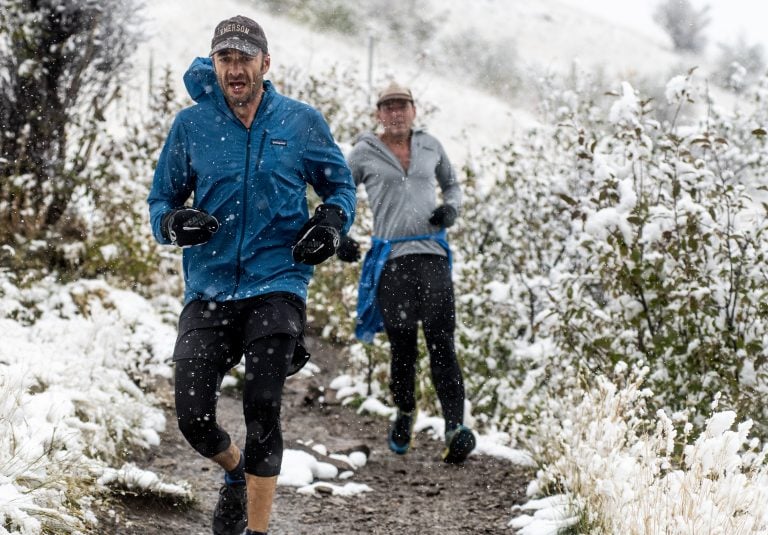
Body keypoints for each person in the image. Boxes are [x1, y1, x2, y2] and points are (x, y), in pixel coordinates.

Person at [147, 15, 355, 535]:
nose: (235, 68)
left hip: (277, 282)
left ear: (266, 62)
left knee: (263, 405)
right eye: (225, 58)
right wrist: (173, 222)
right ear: (214, 64)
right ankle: (236, 472)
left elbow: (340, 187)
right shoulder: (190, 126)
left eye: (245, 57)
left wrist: (330, 223)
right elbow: (160, 202)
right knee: (193, 419)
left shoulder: (300, 122)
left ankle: (257, 531)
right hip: (209, 287)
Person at [338, 81, 475, 464]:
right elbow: (341, 195)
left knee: (442, 342)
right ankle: (405, 413)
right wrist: (340, 236)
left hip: (431, 254)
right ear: (378, 114)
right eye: (388, 107)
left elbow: (452, 185)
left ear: (414, 110)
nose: (396, 112)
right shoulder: (363, 152)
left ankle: (454, 427)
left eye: (402, 106)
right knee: (402, 347)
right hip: (391, 260)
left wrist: (451, 210)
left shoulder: (431, 146)